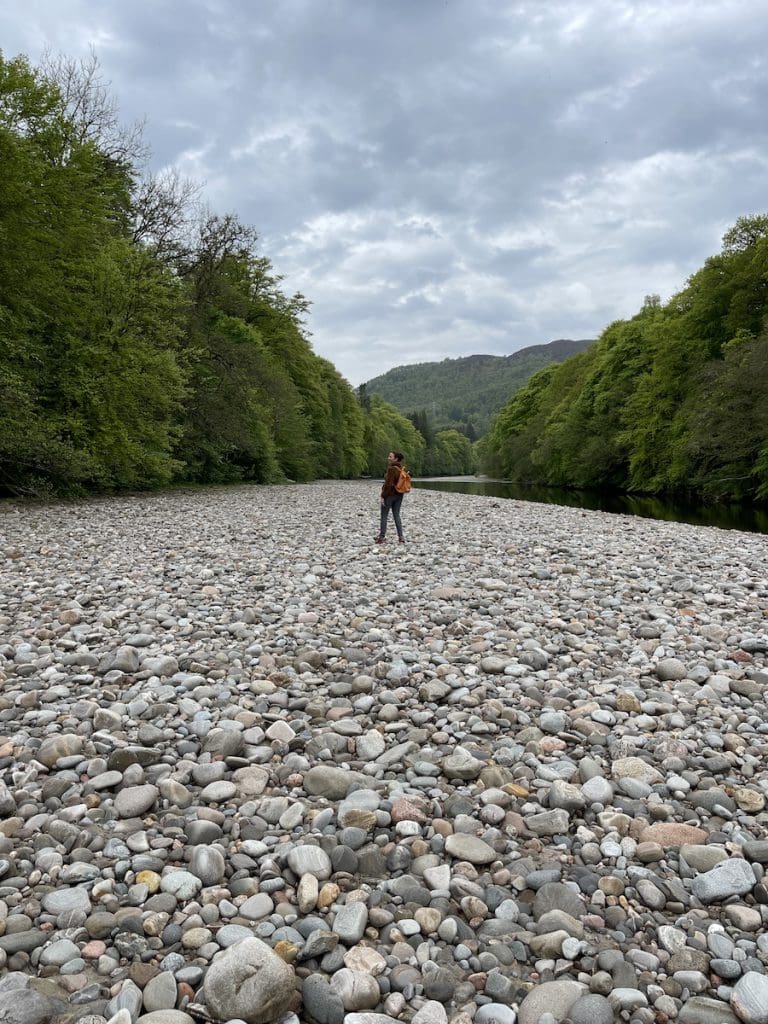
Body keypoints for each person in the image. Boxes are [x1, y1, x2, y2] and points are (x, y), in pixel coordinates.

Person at [375, 450, 406, 544]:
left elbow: (388, 484)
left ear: (395, 459)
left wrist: (383, 496)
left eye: (390, 457)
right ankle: (401, 537)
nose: (388, 458)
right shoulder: (401, 469)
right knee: (396, 515)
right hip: (399, 495)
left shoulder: (392, 469)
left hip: (390, 495)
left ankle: (381, 537)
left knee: (384, 515)